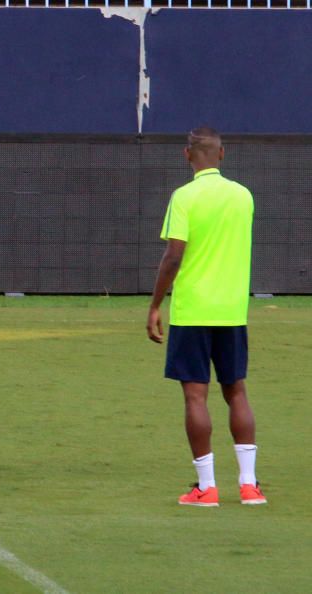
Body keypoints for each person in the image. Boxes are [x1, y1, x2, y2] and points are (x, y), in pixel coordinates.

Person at [147, 126, 265, 507]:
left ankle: (207, 487)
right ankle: (249, 486)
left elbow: (174, 255)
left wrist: (154, 305)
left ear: (187, 156)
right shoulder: (242, 196)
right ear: (222, 154)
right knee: (236, 390)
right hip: (232, 309)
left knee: (196, 396)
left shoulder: (184, 197)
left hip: (194, 309)